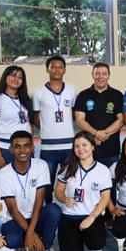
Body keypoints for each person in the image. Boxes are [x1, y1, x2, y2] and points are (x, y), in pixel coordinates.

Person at [0, 131, 61, 251]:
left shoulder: (41, 165)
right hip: (15, 219)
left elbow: (39, 201)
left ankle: (45, 248)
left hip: (36, 216)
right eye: (17, 146)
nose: (22, 150)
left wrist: (31, 233)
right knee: (12, 240)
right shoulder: (3, 174)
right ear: (11, 149)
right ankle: (20, 245)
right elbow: (13, 210)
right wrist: (32, 234)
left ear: (32, 148)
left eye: (26, 146)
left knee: (54, 210)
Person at [55, 132, 112, 251]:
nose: (81, 149)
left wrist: (92, 217)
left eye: (84, 145)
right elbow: (58, 191)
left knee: (96, 243)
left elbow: (105, 197)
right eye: (77, 146)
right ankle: (76, 240)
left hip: (91, 216)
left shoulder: (102, 170)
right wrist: (64, 199)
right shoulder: (68, 168)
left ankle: (94, 247)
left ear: (92, 146)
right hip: (69, 217)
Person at [32, 56, 77, 204]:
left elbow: (75, 114)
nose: (57, 69)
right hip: (48, 147)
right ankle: (48, 209)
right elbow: (34, 117)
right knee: (47, 183)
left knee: (70, 181)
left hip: (68, 146)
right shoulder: (38, 92)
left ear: (64, 70)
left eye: (60, 67)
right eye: (53, 66)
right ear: (47, 69)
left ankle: (70, 207)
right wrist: (46, 128)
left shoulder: (72, 90)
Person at [75, 62, 124, 168]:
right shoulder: (83, 95)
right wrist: (95, 133)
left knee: (112, 181)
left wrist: (101, 135)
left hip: (111, 150)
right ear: (92, 75)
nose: (100, 77)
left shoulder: (118, 95)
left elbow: (121, 120)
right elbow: (79, 120)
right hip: (88, 150)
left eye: (104, 73)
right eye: (97, 73)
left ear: (109, 75)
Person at [0, 66, 33, 169]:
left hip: (25, 148)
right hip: (5, 148)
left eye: (20, 77)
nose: (16, 79)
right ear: (5, 77)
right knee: (9, 182)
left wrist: (31, 145)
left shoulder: (25, 100)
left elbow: (30, 123)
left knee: (27, 180)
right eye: (13, 75)